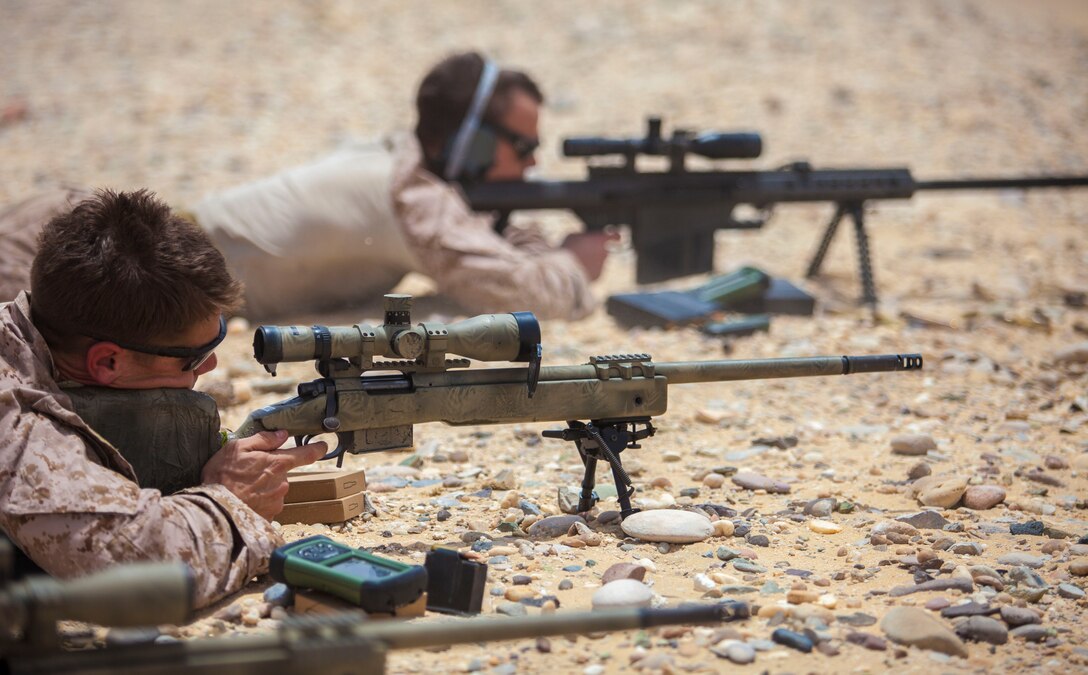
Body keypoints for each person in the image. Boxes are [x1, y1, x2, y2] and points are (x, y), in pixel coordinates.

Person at [0, 189, 328, 607]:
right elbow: (138, 566)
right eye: (192, 358)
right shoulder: (14, 423)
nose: (210, 368)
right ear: (108, 363)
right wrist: (228, 499)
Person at [191, 50, 612, 320]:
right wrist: (573, 266)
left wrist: (544, 251)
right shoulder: (413, 199)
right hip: (173, 281)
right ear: (475, 144)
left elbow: (487, 243)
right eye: (522, 146)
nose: (533, 161)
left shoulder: (406, 165)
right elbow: (520, 294)